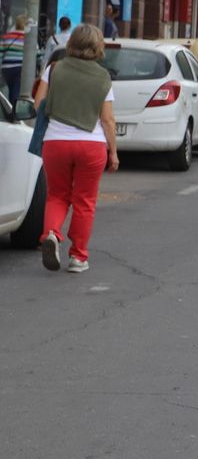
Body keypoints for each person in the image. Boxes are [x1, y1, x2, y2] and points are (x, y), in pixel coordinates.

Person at [33, 24, 118, 273]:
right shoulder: (103, 77)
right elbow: (107, 120)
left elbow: (39, 104)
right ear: (97, 46)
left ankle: (51, 233)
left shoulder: (54, 69)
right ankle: (78, 257)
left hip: (56, 142)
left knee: (57, 196)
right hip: (91, 145)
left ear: (71, 43)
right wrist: (113, 152)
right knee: (85, 201)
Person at [2, 14, 25, 103]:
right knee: (16, 90)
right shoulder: (28, 38)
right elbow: (37, 55)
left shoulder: (7, 36)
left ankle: (10, 107)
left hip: (6, 69)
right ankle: (14, 111)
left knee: (11, 89)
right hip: (20, 68)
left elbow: (1, 53)